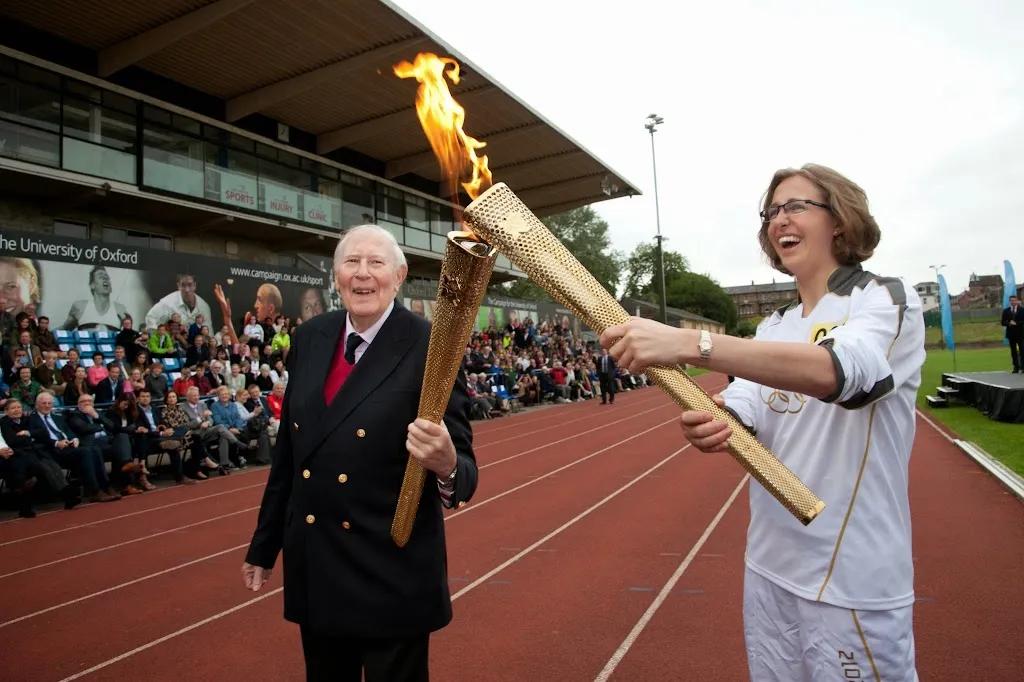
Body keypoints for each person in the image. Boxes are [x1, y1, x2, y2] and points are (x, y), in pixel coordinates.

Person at [600, 164, 924, 681]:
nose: (779, 220)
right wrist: (715, 422)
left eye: (796, 206)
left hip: (850, 577)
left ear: (839, 220)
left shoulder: (881, 299)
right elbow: (743, 406)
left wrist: (690, 343)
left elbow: (839, 373)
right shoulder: (774, 325)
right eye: (771, 211)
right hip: (771, 568)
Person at [242, 224, 478, 681]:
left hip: (390, 570)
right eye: (352, 263)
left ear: (400, 274)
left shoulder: (433, 345)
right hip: (318, 563)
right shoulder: (309, 338)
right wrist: (265, 544)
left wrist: (446, 462)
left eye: (376, 263)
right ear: (335, 275)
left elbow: (465, 473)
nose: (363, 275)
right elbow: (291, 456)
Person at [1, 399, 80, 514]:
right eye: (13, 408)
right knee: (40, 466)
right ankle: (65, 494)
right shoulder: (4, 423)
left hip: (32, 452)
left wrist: (29, 433)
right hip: (17, 455)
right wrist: (31, 438)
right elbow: (12, 441)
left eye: (19, 407)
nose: (17, 410)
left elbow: (43, 432)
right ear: (6, 411)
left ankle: (67, 495)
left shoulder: (27, 419)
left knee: (50, 463)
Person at [62, 265, 129, 331]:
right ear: (92, 285)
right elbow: (62, 331)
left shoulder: (120, 309)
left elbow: (130, 334)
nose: (105, 278)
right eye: (100, 276)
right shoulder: (80, 307)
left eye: (107, 277)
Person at [145, 273, 213, 330]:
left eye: (190, 285)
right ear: (178, 286)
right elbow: (150, 317)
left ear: (195, 285)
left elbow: (209, 334)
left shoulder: (204, 307)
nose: (187, 290)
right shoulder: (168, 302)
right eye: (183, 285)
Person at [1001, 294, 1024, 373]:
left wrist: (1016, 323)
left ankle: (1023, 367)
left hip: (1020, 334)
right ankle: (1016, 367)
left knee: (1022, 350)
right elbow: (1003, 322)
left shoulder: (1022, 310)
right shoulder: (1006, 311)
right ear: (1009, 301)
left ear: (1017, 301)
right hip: (1011, 334)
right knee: (1013, 351)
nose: (1013, 302)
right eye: (1011, 301)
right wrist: (1009, 323)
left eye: (1014, 300)